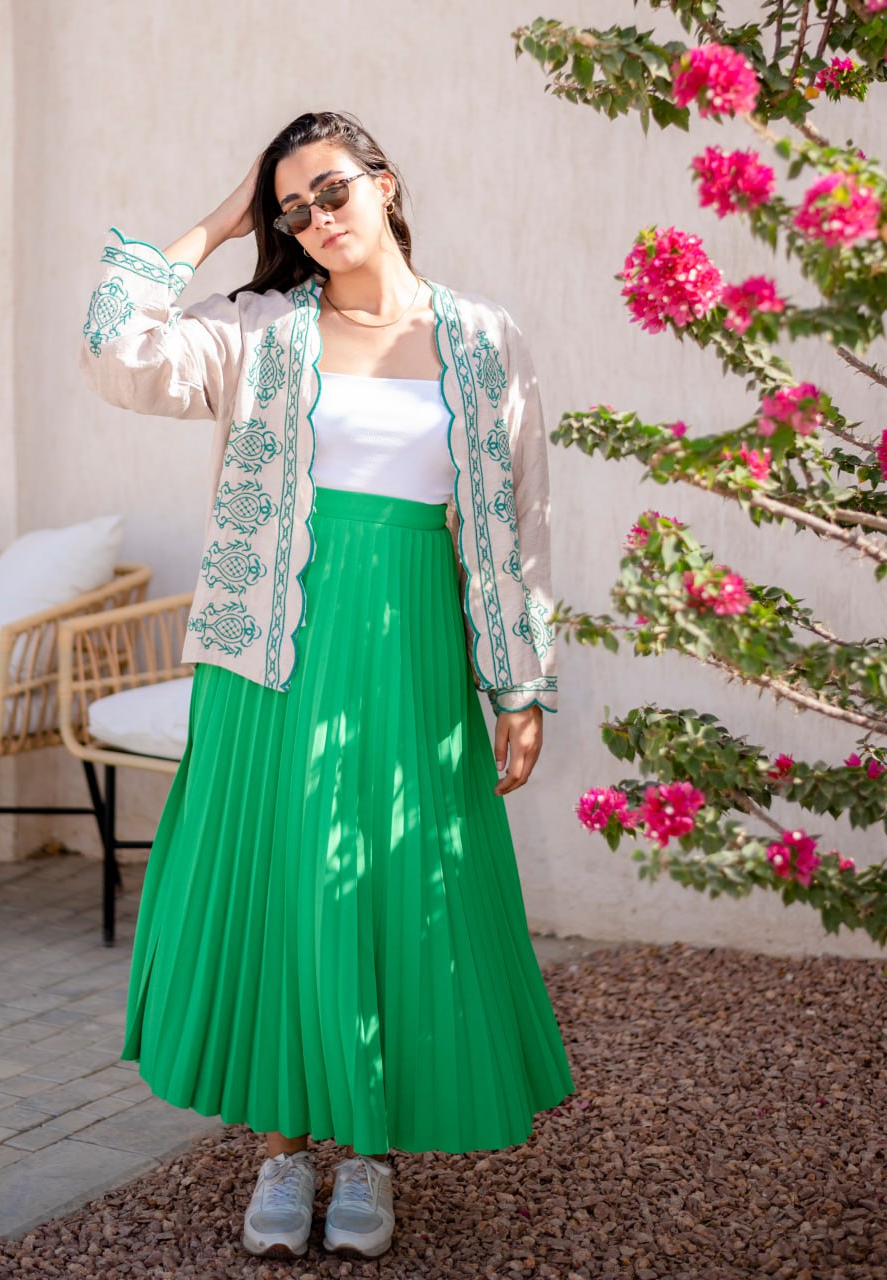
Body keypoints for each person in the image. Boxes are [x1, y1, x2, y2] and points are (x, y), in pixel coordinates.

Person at [79, 110, 575, 1262]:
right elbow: (116, 352)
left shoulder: (483, 337)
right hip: (270, 654)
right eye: (292, 208)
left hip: (409, 649)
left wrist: (518, 680)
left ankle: (366, 1151)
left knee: (392, 879)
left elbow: (515, 520)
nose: (317, 218)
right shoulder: (258, 330)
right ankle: (282, 1147)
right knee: (284, 886)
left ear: (384, 182)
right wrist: (218, 221)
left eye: (333, 190)